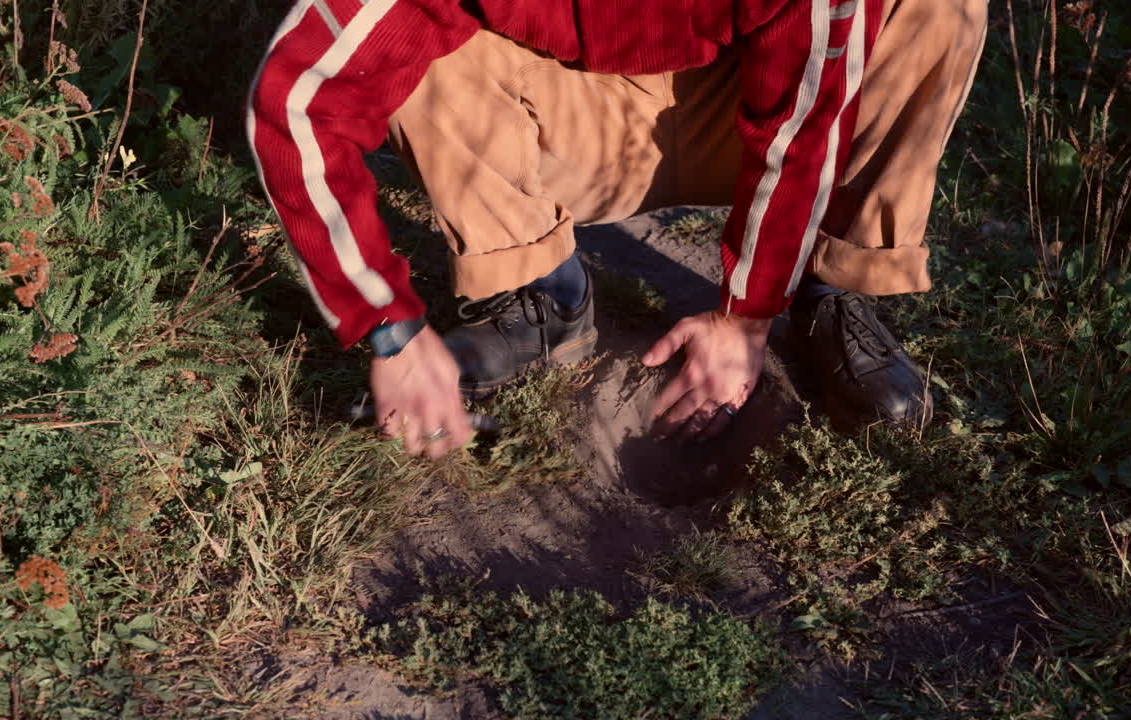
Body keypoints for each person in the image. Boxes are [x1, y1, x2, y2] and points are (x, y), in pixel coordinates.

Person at [247, 0, 987, 458]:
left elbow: (808, 119)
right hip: (566, 108)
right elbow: (297, 99)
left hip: (746, 90)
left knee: (938, 7)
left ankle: (832, 282)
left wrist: (747, 316)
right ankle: (536, 285)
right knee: (421, 56)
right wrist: (390, 329)